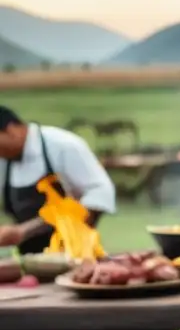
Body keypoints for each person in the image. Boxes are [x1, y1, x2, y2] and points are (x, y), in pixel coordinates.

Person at [0, 106, 116, 253]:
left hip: (72, 253)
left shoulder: (63, 145)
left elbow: (100, 194)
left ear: (11, 130)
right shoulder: (5, 161)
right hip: (28, 260)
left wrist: (25, 230)